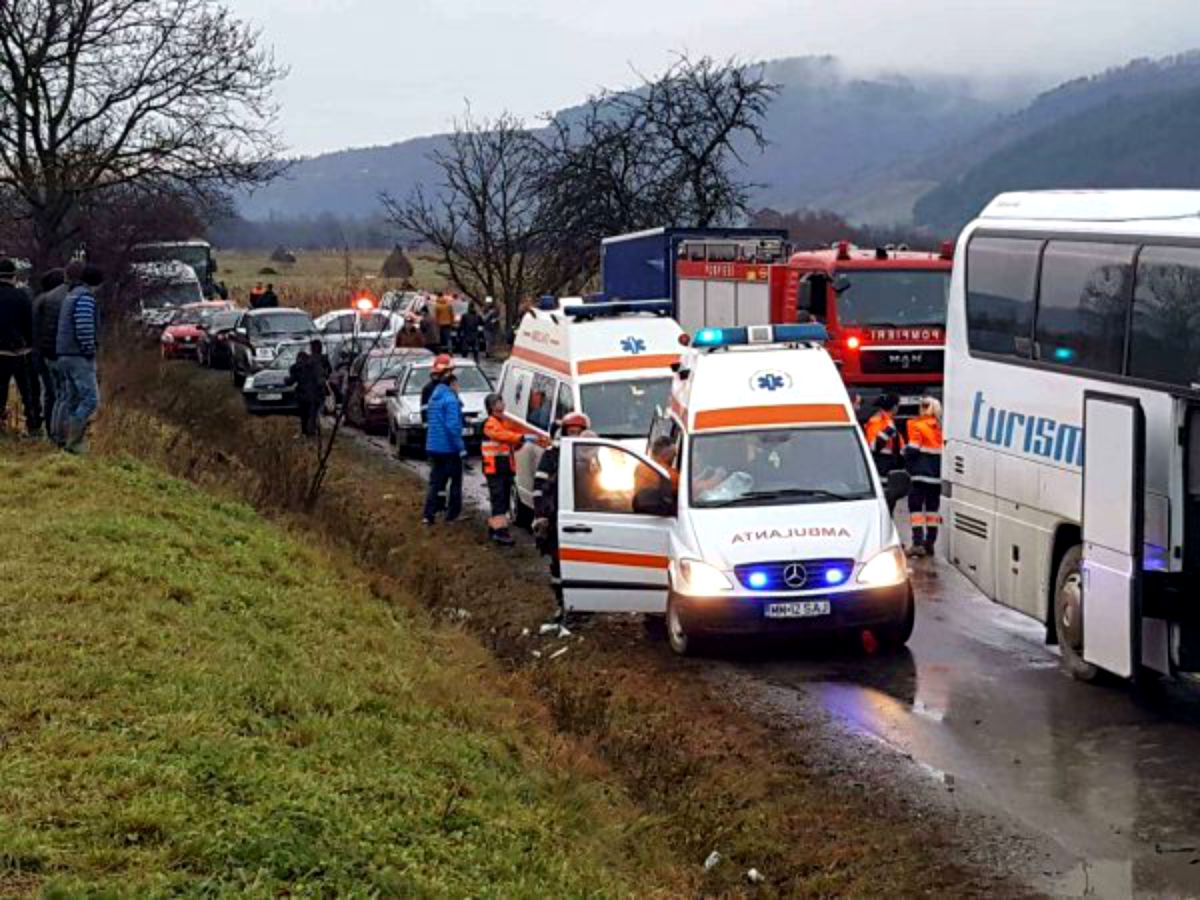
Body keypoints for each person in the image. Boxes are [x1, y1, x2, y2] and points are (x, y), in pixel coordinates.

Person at [532, 411, 591, 617]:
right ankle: (563, 603)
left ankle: (584, 606)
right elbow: (539, 487)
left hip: (588, 518)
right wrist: (541, 516)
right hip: (557, 517)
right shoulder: (551, 455)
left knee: (588, 564)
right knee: (559, 564)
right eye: (570, 432)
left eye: (578, 432)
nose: (574, 436)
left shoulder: (593, 455)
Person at [55, 263, 104, 453]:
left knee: (71, 398)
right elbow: (83, 328)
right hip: (78, 356)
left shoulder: (71, 295)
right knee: (91, 399)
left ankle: (63, 437)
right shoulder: (85, 298)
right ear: (97, 283)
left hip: (64, 354)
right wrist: (89, 349)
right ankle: (74, 442)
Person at [482, 393, 542, 545]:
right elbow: (503, 436)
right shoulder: (491, 423)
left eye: (501, 401)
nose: (502, 404)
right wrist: (521, 438)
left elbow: (512, 436)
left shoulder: (502, 422)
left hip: (503, 467)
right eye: (498, 402)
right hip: (494, 468)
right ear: (492, 406)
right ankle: (500, 533)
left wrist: (524, 437)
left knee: (502, 498)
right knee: (499, 500)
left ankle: (495, 528)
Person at [0, 258, 38, 436]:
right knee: (27, 392)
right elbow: (29, 324)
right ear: (14, 276)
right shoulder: (22, 296)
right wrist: (30, 344)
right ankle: (33, 425)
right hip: (19, 353)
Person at [422, 371, 465, 526]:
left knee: (436, 482)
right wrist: (460, 447)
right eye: (457, 384)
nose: (459, 387)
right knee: (455, 481)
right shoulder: (451, 400)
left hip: (433, 447)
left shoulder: (434, 398)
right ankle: (452, 515)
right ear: (452, 384)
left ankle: (428, 515)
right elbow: (452, 426)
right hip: (449, 449)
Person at [904, 397, 944, 558]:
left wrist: (904, 453)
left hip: (920, 476)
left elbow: (913, 450)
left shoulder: (918, 426)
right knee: (932, 512)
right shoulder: (941, 428)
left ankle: (917, 544)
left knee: (915, 509)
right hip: (936, 478)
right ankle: (930, 543)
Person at [31, 268, 68, 444]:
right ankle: (56, 432)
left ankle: (50, 430)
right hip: (51, 354)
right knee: (57, 394)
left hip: (39, 354)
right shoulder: (53, 303)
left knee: (49, 394)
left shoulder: (38, 301)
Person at [864, 394, 906, 513]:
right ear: (893, 407)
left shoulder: (888, 421)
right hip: (881, 465)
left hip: (889, 465)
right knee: (884, 503)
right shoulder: (877, 421)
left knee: (889, 503)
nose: (898, 408)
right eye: (897, 405)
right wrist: (888, 431)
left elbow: (899, 446)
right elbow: (873, 446)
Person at [420, 354, 453, 424]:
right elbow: (425, 413)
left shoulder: (449, 386)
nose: (450, 373)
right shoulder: (429, 388)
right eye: (449, 371)